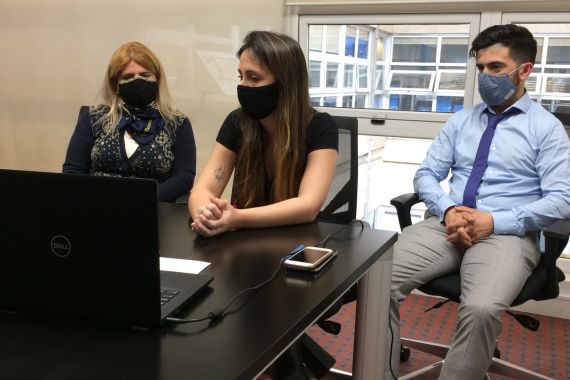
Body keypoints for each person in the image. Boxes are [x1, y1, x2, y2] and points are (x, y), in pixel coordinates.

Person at [386, 24, 570, 379]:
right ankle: (380, 368)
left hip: (508, 235)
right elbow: (426, 174)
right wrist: (448, 209)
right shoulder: (461, 120)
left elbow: (562, 201)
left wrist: (494, 221)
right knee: (373, 279)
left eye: (496, 68)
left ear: (524, 70)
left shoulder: (546, 129)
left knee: (482, 308)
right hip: (446, 225)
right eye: (481, 67)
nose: (485, 76)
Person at [188, 31, 338, 238]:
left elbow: (308, 206)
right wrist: (205, 214)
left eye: (254, 78)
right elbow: (202, 190)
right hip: (241, 244)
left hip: (293, 244)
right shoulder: (237, 122)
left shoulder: (320, 126)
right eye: (241, 76)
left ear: (285, 84)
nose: (243, 86)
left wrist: (237, 218)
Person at [63, 41, 196, 202]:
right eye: (128, 77)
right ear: (115, 84)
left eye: (145, 75)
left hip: (153, 208)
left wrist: (139, 200)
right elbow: (73, 171)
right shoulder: (94, 118)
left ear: (157, 79)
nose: (137, 80)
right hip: (95, 206)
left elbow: (183, 178)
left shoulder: (177, 123)